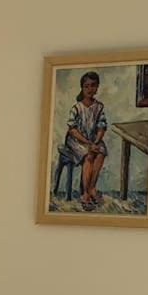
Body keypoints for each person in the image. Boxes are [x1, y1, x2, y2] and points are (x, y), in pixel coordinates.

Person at [62, 71, 108, 210]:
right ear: (82, 87)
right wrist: (88, 144)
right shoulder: (76, 108)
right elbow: (72, 130)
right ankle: (85, 193)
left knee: (100, 152)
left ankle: (92, 186)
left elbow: (102, 127)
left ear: (97, 87)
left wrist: (96, 141)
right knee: (88, 155)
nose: (90, 89)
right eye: (86, 86)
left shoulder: (99, 107)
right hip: (76, 140)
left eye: (93, 86)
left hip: (93, 139)